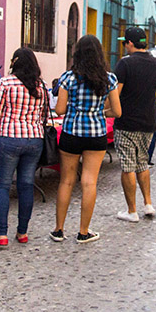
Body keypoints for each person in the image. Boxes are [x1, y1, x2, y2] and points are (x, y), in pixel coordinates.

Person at [51, 35, 121, 244]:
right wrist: (98, 111)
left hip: (71, 133)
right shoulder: (109, 79)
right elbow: (117, 111)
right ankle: (83, 232)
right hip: (96, 135)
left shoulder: (67, 78)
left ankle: (59, 230)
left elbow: (60, 109)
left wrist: (75, 109)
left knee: (66, 180)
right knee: (89, 182)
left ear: (77, 54)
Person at [0, 49, 47, 249]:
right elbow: (43, 115)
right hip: (34, 139)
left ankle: (1, 234)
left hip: (10, 138)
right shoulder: (40, 86)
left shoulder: (6, 83)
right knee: (26, 185)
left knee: (1, 185)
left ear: (15, 63)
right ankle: (23, 231)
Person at [113, 27, 156, 222]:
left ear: (131, 43)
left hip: (127, 121)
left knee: (127, 166)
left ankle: (132, 210)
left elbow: (116, 94)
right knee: (142, 163)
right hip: (148, 120)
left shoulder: (125, 64)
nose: (124, 46)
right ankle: (148, 204)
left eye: (125, 42)